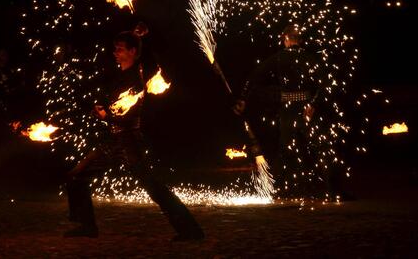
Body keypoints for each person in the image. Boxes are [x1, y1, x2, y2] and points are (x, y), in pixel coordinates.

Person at [64, 29, 204, 240]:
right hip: (114, 139)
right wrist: (101, 109)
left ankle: (190, 231)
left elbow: (124, 114)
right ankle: (87, 226)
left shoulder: (136, 79)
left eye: (120, 49)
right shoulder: (118, 76)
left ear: (132, 52)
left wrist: (105, 116)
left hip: (129, 140)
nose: (115, 52)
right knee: (77, 176)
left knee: (153, 187)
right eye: (115, 49)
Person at [234, 24, 322, 198]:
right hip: (307, 108)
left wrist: (243, 98)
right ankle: (316, 186)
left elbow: (254, 76)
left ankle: (278, 188)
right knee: (312, 148)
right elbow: (322, 84)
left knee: (287, 148)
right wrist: (313, 104)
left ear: (286, 39)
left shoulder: (279, 57)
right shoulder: (310, 58)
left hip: (290, 110)